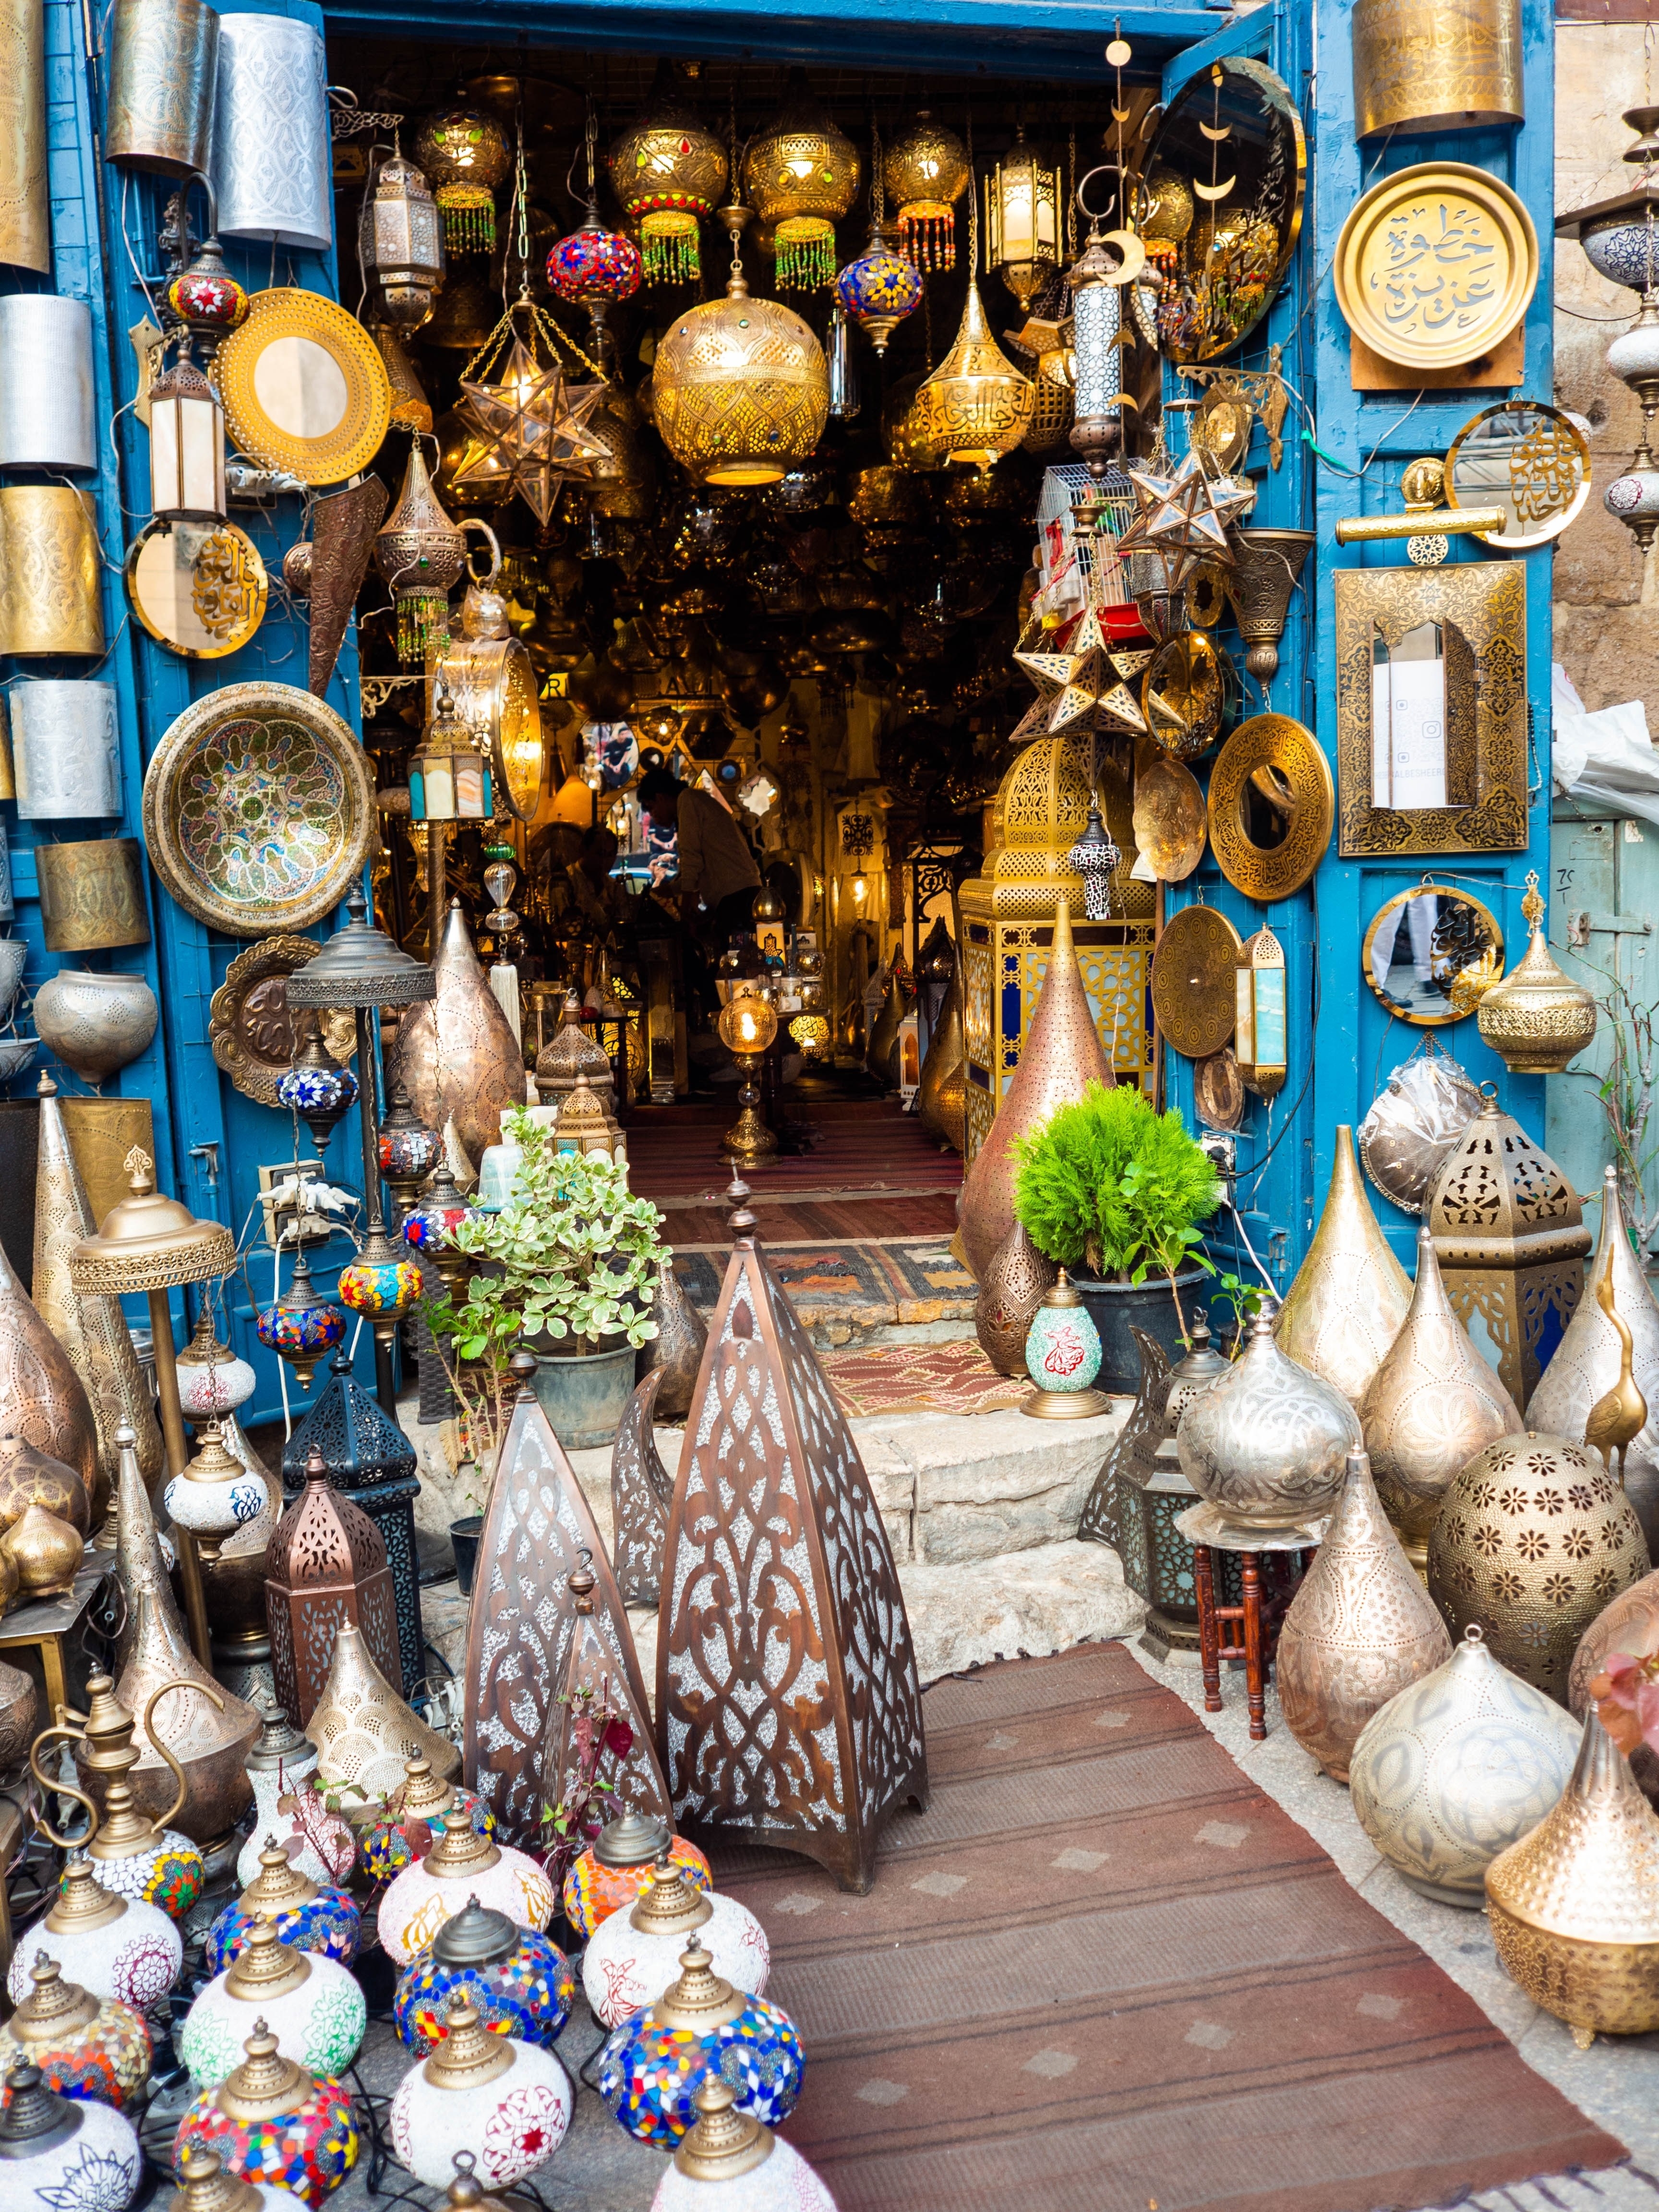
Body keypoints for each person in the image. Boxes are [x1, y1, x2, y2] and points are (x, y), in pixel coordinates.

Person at [637, 766, 760, 945]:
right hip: (742, 895)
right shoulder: (695, 801)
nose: (653, 816)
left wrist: (686, 906)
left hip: (737, 899)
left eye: (651, 807)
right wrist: (669, 891)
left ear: (660, 797)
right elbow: (700, 864)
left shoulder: (687, 800)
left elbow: (691, 856)